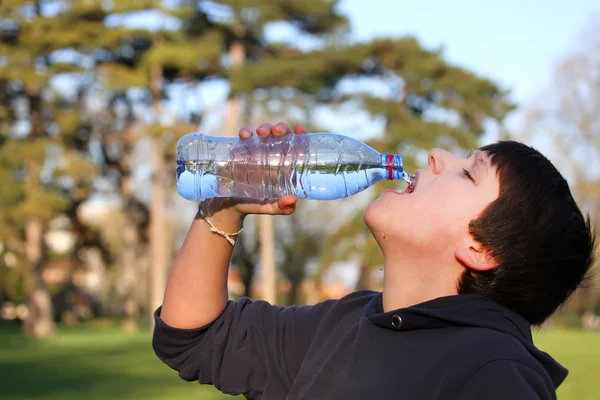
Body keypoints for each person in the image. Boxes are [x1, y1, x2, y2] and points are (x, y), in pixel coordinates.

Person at [152, 122, 595, 399]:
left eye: (467, 172)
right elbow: (193, 337)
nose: (437, 155)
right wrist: (226, 205)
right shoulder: (346, 321)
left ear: (480, 250)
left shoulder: (497, 373)